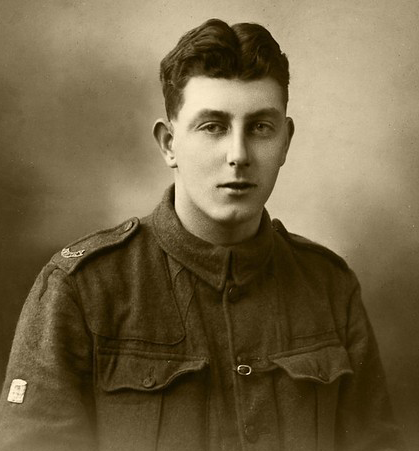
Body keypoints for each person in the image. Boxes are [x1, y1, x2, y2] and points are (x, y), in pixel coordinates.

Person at [0, 18, 405, 451]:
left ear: (285, 142)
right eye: (213, 126)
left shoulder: (329, 288)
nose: (238, 155)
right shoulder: (83, 290)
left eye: (260, 127)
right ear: (168, 143)